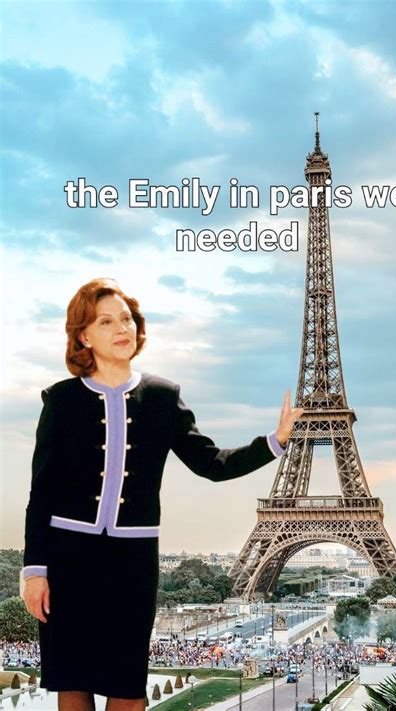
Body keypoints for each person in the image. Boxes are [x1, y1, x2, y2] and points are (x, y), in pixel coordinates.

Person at [21, 277, 303, 711]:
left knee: (128, 687)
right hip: (67, 558)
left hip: (132, 562)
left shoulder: (163, 397)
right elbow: (41, 493)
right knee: (72, 682)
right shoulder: (61, 400)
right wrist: (35, 571)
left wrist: (274, 440)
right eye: (106, 320)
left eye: (128, 318)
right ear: (84, 335)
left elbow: (211, 464)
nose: (122, 328)